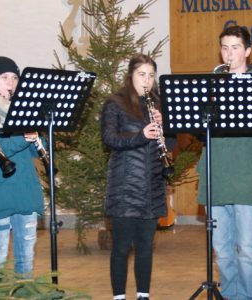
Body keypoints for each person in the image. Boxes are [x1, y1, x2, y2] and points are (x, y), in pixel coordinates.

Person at [196, 25, 252, 299]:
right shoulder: (213, 82)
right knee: (222, 249)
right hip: (216, 175)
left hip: (247, 177)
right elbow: (198, 129)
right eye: (224, 47)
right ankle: (230, 296)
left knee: (246, 249)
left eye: (235, 47)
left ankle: (248, 297)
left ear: (247, 50)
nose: (228, 53)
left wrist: (244, 94)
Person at [101, 54, 174, 300]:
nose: (147, 80)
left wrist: (167, 127)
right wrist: (141, 136)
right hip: (125, 186)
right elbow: (109, 139)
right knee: (121, 248)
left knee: (145, 248)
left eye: (151, 75)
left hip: (152, 185)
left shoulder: (158, 103)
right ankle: (119, 296)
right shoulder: (116, 103)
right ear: (130, 75)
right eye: (142, 75)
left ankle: (144, 295)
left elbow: (172, 143)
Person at [0, 56, 45, 276]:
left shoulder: (24, 109)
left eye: (14, 78)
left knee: (26, 261)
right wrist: (22, 139)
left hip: (25, 189)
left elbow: (33, 151)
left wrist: (39, 137)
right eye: (4, 78)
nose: (11, 83)